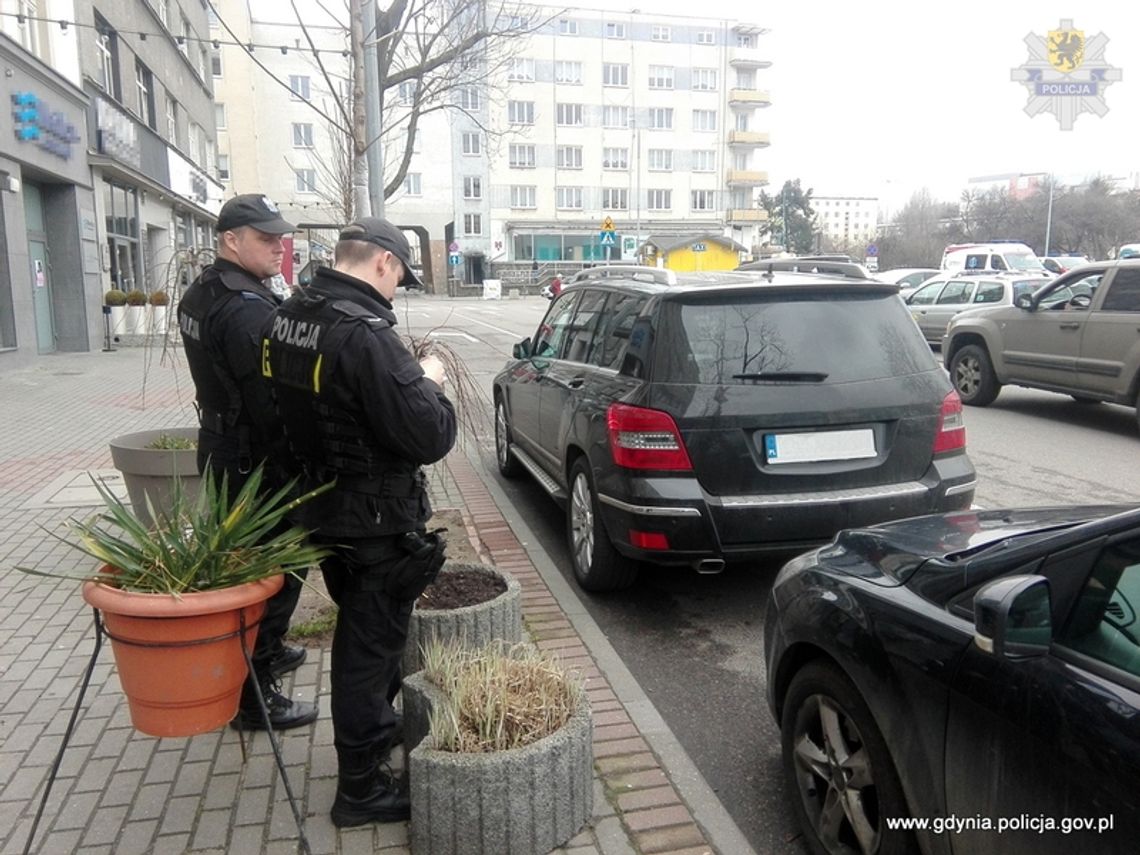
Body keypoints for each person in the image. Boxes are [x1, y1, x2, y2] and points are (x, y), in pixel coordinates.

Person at [261, 216, 457, 826]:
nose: (397, 289)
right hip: (373, 518)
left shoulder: (288, 315)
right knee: (368, 651)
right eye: (400, 276)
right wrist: (429, 382)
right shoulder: (365, 335)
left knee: (360, 636)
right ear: (381, 263)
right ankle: (362, 788)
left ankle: (373, 730)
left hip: (321, 504)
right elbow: (430, 433)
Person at [177, 194, 318, 731]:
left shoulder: (203, 290)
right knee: (274, 570)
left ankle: (267, 651)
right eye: (266, 238)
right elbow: (272, 400)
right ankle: (256, 693)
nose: (278, 247)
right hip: (253, 459)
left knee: (248, 563)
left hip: (220, 443)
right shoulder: (245, 308)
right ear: (231, 241)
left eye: (280, 238)